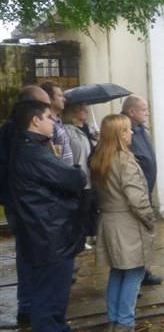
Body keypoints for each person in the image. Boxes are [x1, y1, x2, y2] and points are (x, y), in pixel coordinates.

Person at [10, 99, 92, 332]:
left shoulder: (33, 149)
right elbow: (72, 179)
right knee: (49, 296)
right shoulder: (32, 153)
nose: (54, 122)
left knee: (56, 293)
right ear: (35, 120)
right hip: (47, 234)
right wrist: (77, 171)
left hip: (48, 232)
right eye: (49, 118)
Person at [91, 114, 155, 332]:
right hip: (127, 224)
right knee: (134, 274)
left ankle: (114, 323)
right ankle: (125, 327)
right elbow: (136, 197)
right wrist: (149, 219)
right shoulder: (124, 160)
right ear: (118, 134)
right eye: (127, 130)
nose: (132, 133)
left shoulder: (100, 158)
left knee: (118, 273)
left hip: (108, 221)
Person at [0, 85, 51, 326]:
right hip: (21, 204)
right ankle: (28, 305)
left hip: (23, 202)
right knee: (28, 254)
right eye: (44, 105)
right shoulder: (14, 132)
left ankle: (30, 304)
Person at [121, 94, 163, 287]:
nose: (147, 112)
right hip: (133, 193)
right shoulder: (124, 129)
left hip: (144, 190)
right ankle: (134, 278)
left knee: (144, 235)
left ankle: (142, 273)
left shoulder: (139, 129)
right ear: (131, 112)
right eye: (144, 109)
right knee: (135, 237)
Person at [63, 102, 97, 240]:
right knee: (81, 208)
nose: (86, 111)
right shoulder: (67, 131)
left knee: (91, 207)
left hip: (91, 176)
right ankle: (79, 237)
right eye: (82, 109)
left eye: (86, 108)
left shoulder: (89, 129)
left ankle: (91, 234)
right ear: (73, 112)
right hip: (79, 176)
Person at [39, 81, 74, 165]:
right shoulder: (47, 125)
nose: (64, 99)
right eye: (60, 96)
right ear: (49, 99)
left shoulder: (58, 122)